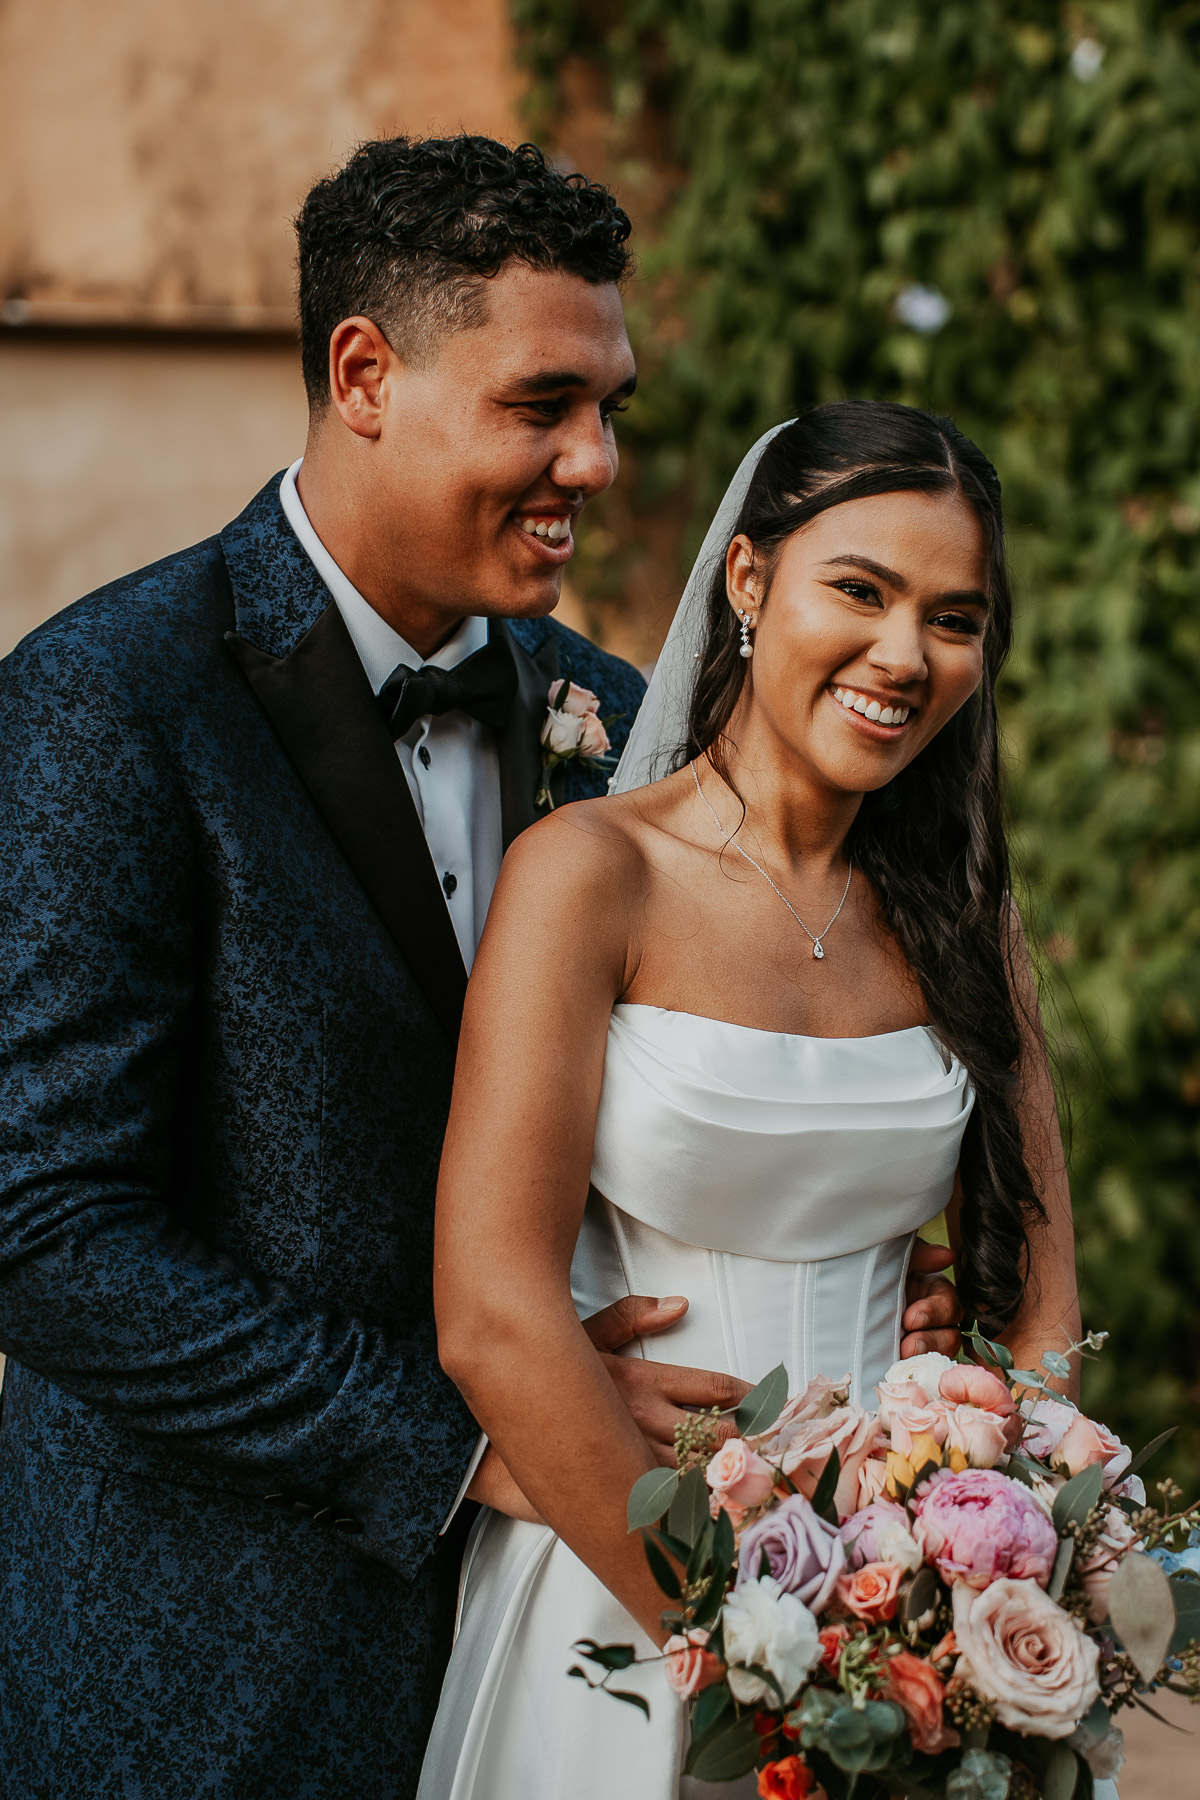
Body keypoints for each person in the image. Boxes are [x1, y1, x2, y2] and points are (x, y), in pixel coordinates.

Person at [0, 141, 956, 1800]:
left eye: (614, 407)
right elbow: (43, 1232)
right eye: (540, 405)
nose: (593, 460)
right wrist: (462, 1442)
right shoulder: (109, 701)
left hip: (564, 1659)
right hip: (210, 1678)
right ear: (364, 375)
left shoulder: (611, 712)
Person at [420, 402, 1082, 1799]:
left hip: (913, 1626)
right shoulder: (590, 876)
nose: (906, 655)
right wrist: (752, 1662)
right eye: (863, 590)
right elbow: (494, 1310)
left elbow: (1042, 1320)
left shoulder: (967, 920)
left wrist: (973, 1605)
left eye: (954, 617)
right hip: (620, 1594)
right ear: (748, 580)